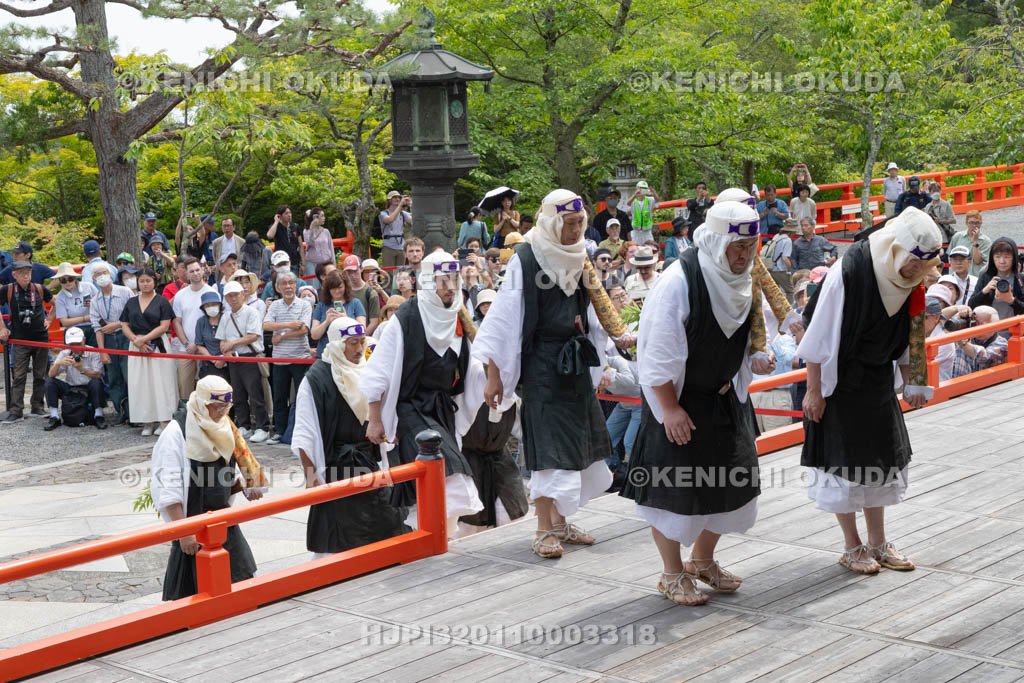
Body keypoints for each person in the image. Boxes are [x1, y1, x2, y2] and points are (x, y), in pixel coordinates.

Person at [618, 200, 772, 606]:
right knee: (674, 492)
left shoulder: (746, 278)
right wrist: (669, 408)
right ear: (717, 242)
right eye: (736, 248)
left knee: (731, 485)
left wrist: (755, 356)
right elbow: (657, 351)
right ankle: (671, 573)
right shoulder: (679, 281)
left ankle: (702, 560)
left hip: (724, 399)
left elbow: (754, 330)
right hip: (680, 400)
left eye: (751, 246)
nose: (744, 255)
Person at [477, 189, 630, 559]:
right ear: (551, 221)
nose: (577, 229)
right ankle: (544, 529)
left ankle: (561, 523)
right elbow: (502, 322)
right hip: (541, 364)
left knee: (576, 444)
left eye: (580, 222)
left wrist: (621, 339)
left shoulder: (582, 255)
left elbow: (600, 306)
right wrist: (494, 376)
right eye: (570, 223)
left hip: (573, 360)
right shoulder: (526, 259)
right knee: (549, 447)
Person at [799, 207, 942, 575]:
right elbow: (818, 333)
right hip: (839, 380)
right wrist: (814, 390)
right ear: (897, 249)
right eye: (911, 263)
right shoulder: (850, 271)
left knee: (879, 462)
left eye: (922, 266)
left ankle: (878, 542)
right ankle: (852, 545)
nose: (915, 271)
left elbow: (912, 336)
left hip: (877, 381)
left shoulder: (915, 283)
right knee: (843, 465)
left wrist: (915, 381)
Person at [362, 251, 485, 534]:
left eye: (454, 279)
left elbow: (472, 365)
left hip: (442, 408)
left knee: (438, 480)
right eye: (443, 280)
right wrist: (376, 418)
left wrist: (493, 378)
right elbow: (378, 371)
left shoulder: (457, 316)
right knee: (450, 470)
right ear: (429, 281)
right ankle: (433, 542)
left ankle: (440, 542)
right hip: (409, 409)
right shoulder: (405, 319)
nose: (450, 287)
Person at [291, 317, 410, 558]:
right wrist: (311, 476)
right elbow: (305, 431)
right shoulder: (316, 379)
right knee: (339, 539)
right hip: (337, 467)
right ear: (337, 344)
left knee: (386, 525)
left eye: (362, 342)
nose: (358, 349)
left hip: (369, 461)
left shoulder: (367, 369)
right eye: (352, 343)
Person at [150, 376, 262, 601]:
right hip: (191, 522)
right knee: (193, 595)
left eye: (225, 406)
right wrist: (184, 532)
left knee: (242, 582)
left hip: (222, 520)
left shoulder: (224, 426)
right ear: (202, 404)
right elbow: (168, 486)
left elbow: (225, 471)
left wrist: (245, 486)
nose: (221, 412)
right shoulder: (175, 433)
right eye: (216, 407)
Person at [121, 268, 178, 436]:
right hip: (136, 345)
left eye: (148, 280)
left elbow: (164, 326)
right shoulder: (131, 302)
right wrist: (136, 340)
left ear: (154, 281)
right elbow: (124, 324)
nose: (145, 284)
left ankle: (164, 419)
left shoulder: (162, 301)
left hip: (157, 344)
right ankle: (147, 421)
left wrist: (144, 339)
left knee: (161, 382)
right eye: (142, 281)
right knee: (141, 382)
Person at [263, 270, 313, 444]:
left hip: (301, 356)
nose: (288, 286)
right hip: (280, 359)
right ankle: (280, 430)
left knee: (302, 395)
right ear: (277, 287)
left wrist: (281, 335)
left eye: (291, 283)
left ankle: (300, 432)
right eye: (283, 283)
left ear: (296, 285)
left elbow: (304, 330)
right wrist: (289, 325)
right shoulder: (275, 305)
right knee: (279, 396)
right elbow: (266, 325)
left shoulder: (305, 305)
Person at [0, 261, 54, 422]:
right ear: (14, 275)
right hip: (20, 339)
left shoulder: (38, 288)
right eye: (22, 273)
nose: (26, 276)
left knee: (40, 374)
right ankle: (16, 410)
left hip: (41, 339)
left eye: (28, 272)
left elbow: (55, 303)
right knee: (19, 375)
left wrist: (50, 319)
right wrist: (2, 327)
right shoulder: (8, 290)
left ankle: (37, 406)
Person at [216, 281, 269, 443]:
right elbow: (222, 340)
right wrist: (227, 349)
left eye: (236, 295)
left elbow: (253, 335)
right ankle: (243, 424)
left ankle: (262, 427)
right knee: (237, 394)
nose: (233, 299)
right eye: (229, 296)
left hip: (250, 357)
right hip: (234, 358)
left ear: (243, 294)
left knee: (255, 393)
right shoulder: (226, 316)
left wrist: (232, 343)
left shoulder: (251, 312)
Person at [88, 263, 133, 424]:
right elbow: (97, 328)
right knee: (113, 377)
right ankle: (120, 410)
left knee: (130, 375)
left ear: (110, 273)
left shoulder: (125, 291)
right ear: (93, 279)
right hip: (108, 340)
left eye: (104, 272)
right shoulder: (95, 301)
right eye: (97, 274)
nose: (101, 276)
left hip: (126, 336)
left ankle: (135, 411)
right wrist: (102, 351)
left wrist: (117, 324)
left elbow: (133, 315)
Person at [44, 326, 106, 430]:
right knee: (50, 382)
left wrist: (82, 369)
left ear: (84, 340)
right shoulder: (65, 353)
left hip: (89, 387)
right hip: (71, 387)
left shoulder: (93, 352)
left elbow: (98, 374)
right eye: (72, 344)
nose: (76, 347)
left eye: (78, 343)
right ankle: (54, 416)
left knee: (96, 382)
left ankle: (98, 415)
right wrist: (58, 363)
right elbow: (51, 375)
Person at [172, 257, 216, 399]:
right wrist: (186, 343)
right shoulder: (180, 295)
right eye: (192, 271)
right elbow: (177, 322)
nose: (196, 273)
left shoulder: (211, 292)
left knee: (206, 386)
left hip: (206, 348)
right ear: (187, 273)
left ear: (202, 270)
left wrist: (199, 345)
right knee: (184, 386)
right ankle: (185, 416)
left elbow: (215, 320)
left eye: (198, 270)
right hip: (185, 349)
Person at [311, 270, 367, 358]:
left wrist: (347, 319)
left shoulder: (355, 303)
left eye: (340, 287)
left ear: (345, 286)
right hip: (326, 355)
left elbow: (363, 329)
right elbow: (314, 335)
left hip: (349, 356)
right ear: (328, 289)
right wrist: (326, 322)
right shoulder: (321, 306)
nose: (337, 291)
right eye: (333, 288)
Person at [968, 237, 1024, 319]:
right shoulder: (986, 276)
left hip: (1015, 329)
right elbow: (971, 305)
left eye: (1007, 257)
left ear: (1014, 258)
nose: (1002, 261)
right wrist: (985, 291)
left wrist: (1012, 300)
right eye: (997, 257)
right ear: (992, 258)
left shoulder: (1021, 279)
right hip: (990, 329)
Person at [952, 306, 1008, 377]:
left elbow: (984, 358)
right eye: (975, 323)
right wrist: (957, 315)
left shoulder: (1002, 344)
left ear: (995, 325)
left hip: (989, 387)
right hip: (959, 385)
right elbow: (940, 324)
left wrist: (960, 339)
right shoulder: (967, 338)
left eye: (982, 324)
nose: (978, 327)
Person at [52, 262, 98, 347]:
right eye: (63, 280)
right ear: (59, 281)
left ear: (75, 278)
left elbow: (101, 305)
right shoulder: (59, 297)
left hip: (93, 327)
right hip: (73, 331)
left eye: (70, 279)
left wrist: (93, 305)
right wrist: (85, 318)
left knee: (95, 356)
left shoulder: (88, 287)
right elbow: (64, 322)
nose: (67, 282)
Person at [193, 291, 228, 380]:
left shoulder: (227, 319)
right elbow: (199, 344)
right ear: (203, 308)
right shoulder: (201, 321)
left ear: (219, 305)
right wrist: (213, 359)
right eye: (207, 305)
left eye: (213, 304)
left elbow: (232, 342)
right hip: (207, 364)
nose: (211, 307)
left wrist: (223, 359)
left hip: (227, 364)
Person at [340, 255, 378, 334]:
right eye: (349, 272)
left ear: (361, 269)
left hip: (363, 336)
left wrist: (361, 337)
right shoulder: (341, 290)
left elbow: (374, 322)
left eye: (355, 271)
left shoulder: (370, 293)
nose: (352, 275)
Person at [761, 218, 797, 303]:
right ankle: (789, 311)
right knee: (790, 291)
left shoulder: (777, 236)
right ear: (791, 231)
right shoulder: (787, 240)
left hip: (770, 267)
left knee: (775, 292)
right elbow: (785, 258)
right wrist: (788, 271)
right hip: (780, 270)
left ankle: (776, 309)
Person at [947, 210, 991, 278]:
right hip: (956, 276)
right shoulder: (957, 236)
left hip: (975, 277)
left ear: (981, 223)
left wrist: (975, 241)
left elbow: (977, 261)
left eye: (977, 223)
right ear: (966, 223)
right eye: (971, 222)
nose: (974, 225)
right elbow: (950, 257)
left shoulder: (986, 241)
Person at [266, 205, 304, 275]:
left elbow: (301, 245)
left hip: (294, 262)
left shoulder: (295, 226)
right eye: (286, 213)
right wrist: (276, 221)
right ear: (280, 216)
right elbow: (269, 235)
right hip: (281, 263)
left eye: (290, 213)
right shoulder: (276, 226)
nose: (289, 215)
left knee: (294, 283)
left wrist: (303, 264)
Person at [379, 191, 412, 267]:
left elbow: (414, 220)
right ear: (389, 200)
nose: (397, 199)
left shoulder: (403, 213)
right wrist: (400, 206)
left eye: (399, 197)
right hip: (388, 246)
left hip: (401, 246)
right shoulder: (383, 213)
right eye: (394, 197)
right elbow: (390, 220)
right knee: (389, 272)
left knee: (400, 272)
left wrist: (411, 204)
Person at [302, 207, 335, 277]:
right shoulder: (306, 231)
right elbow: (311, 243)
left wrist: (334, 265)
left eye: (324, 216)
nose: (324, 218)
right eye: (322, 216)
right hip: (313, 264)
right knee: (315, 287)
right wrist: (311, 229)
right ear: (315, 217)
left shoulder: (326, 231)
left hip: (326, 263)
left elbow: (331, 249)